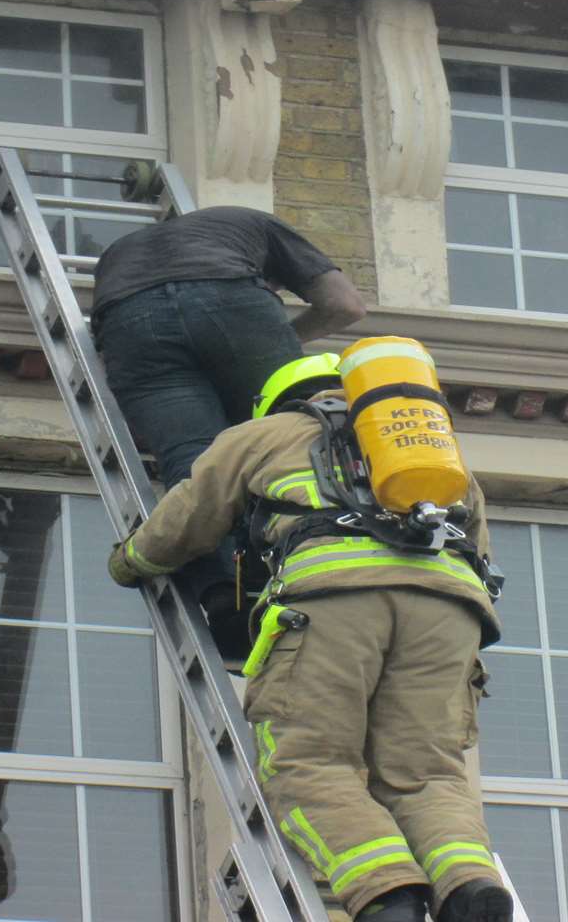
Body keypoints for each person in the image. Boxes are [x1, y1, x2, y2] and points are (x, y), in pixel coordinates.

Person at [105, 354, 515, 922]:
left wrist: (131, 561)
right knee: (426, 773)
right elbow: (479, 556)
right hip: (449, 612)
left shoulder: (263, 434)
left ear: (282, 399)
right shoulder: (440, 455)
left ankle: (386, 893)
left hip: (331, 599)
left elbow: (191, 515)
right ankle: (470, 884)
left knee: (309, 763)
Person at [91, 206, 366, 650]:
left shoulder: (120, 251)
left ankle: (222, 596)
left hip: (128, 321)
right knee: (286, 440)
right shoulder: (254, 223)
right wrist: (270, 336)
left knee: (195, 463)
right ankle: (297, 577)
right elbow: (344, 304)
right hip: (233, 303)